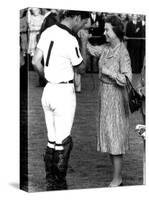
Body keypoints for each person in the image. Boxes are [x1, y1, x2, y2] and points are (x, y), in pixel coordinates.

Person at [32, 10, 90, 190]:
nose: (82, 27)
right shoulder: (71, 39)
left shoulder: (47, 31)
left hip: (48, 90)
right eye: (83, 23)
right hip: (64, 91)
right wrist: (84, 42)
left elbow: (35, 61)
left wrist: (48, 76)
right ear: (77, 18)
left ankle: (50, 180)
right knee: (63, 141)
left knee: (52, 139)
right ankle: (58, 183)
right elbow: (81, 69)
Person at [87, 15, 132, 187]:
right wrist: (82, 39)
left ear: (116, 32)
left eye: (107, 30)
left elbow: (127, 79)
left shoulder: (123, 52)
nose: (104, 33)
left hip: (116, 98)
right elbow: (93, 50)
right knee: (109, 136)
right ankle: (116, 176)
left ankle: (117, 178)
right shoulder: (106, 48)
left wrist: (108, 72)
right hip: (104, 97)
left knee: (115, 138)